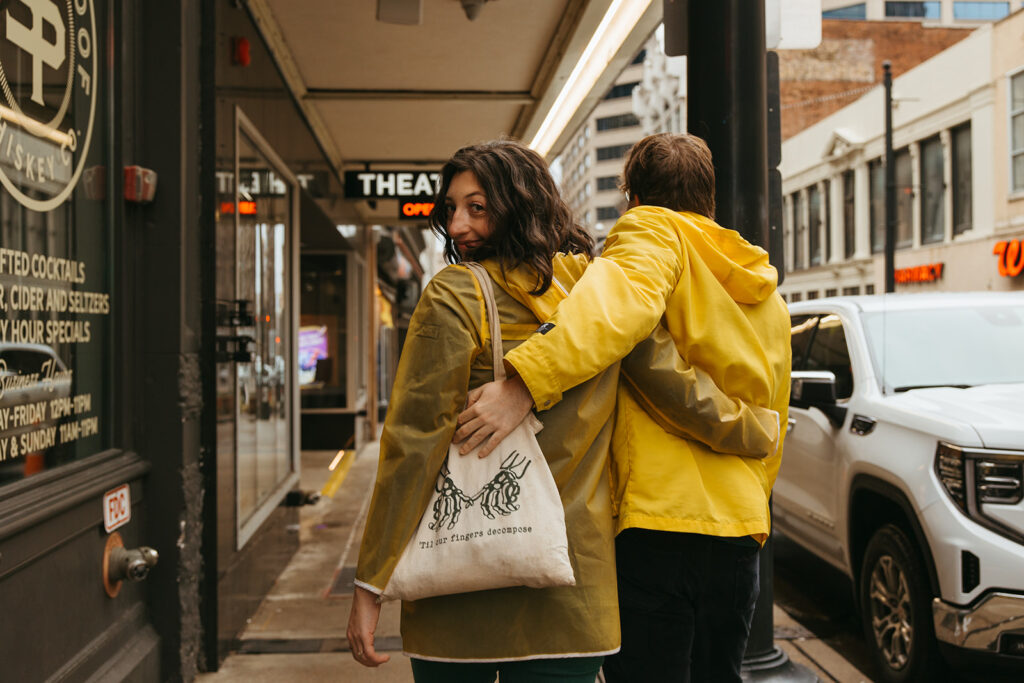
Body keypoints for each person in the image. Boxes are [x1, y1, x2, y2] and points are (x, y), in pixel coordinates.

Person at [346, 139, 780, 683]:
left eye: (476, 208)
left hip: (458, 591)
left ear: (518, 203)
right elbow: (670, 381)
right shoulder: (592, 288)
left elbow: (413, 443)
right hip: (575, 593)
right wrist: (755, 428)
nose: (456, 226)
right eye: (451, 209)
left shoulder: (454, 295)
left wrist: (371, 580)